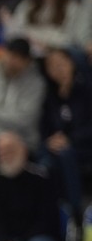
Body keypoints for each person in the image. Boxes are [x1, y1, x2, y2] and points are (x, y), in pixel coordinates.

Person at [39, 44, 92, 217]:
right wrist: (49, 140)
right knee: (44, 160)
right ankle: (52, 213)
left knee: (64, 154)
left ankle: (75, 210)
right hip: (62, 148)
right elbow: (44, 126)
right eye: (52, 66)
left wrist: (70, 139)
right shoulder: (50, 96)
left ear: (72, 63)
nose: (57, 69)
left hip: (86, 146)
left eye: (61, 63)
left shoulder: (86, 88)